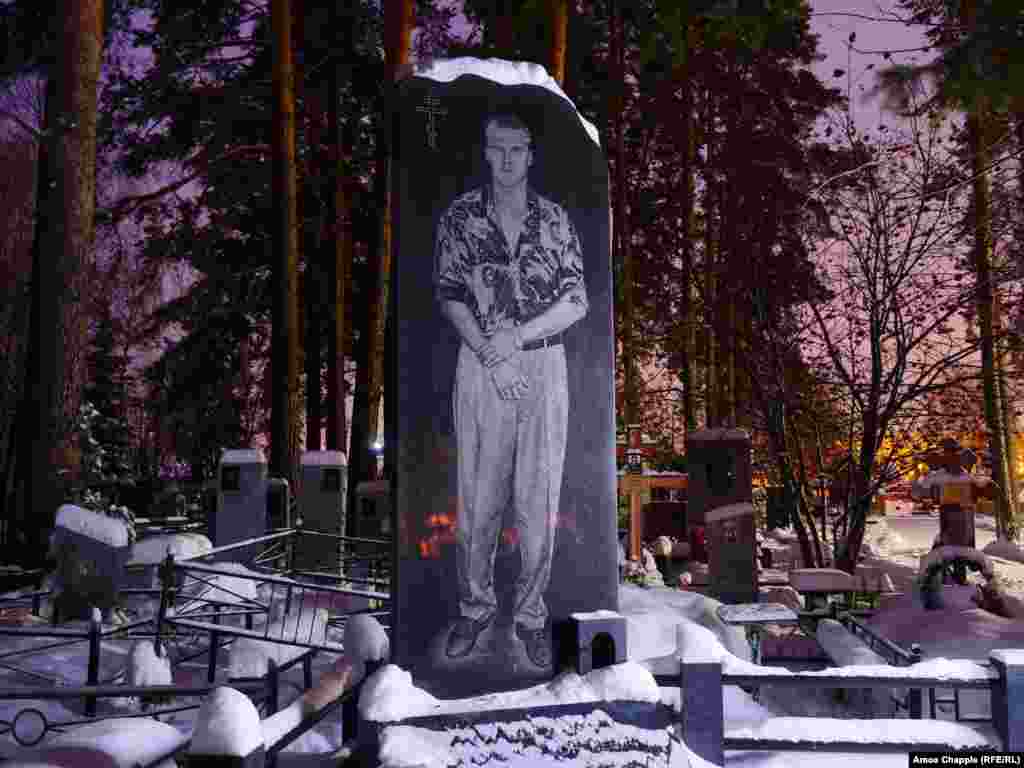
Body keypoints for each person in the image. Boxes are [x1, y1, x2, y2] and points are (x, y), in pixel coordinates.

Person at [434, 112, 588, 669]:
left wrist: (516, 340)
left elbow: (577, 300)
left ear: (530, 155)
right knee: (478, 498)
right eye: (496, 149)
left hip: (543, 367)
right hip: (478, 368)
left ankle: (529, 615)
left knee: (537, 497)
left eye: (516, 150)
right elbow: (451, 295)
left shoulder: (553, 221)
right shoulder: (460, 218)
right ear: (485, 152)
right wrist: (491, 354)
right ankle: (474, 608)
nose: (505, 160)